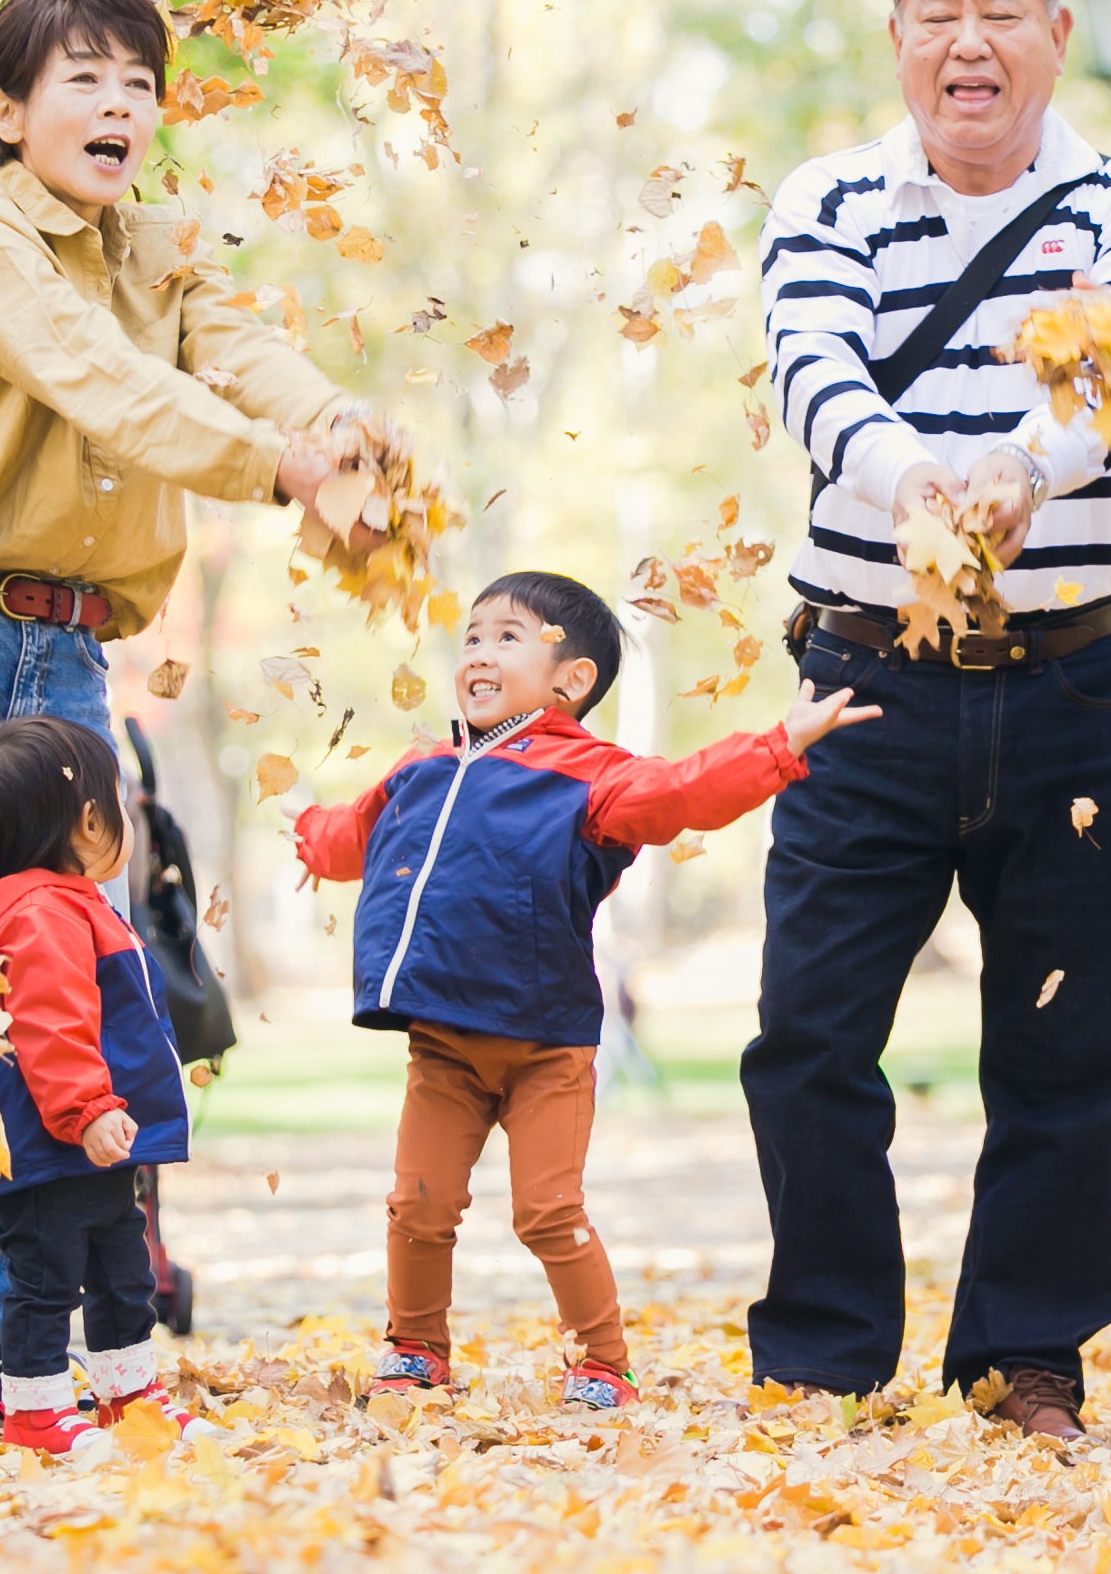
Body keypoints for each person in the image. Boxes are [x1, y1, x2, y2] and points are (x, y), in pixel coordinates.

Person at [0, 0, 381, 1449]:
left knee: (63, 1018)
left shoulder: (162, 245)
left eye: (139, 83)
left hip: (67, 672)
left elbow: (240, 352)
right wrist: (277, 469)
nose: (122, 105)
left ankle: (10, 1344)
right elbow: (102, 385)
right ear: (7, 110)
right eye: (85, 79)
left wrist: (329, 424)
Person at [747, 0, 1111, 1439]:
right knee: (809, 1030)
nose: (969, 42)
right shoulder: (826, 202)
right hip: (866, 678)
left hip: (1079, 683)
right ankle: (821, 1353)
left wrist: (1023, 466)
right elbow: (817, 377)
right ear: (896, 37)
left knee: (1070, 1039)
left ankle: (1029, 1357)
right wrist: (920, 488)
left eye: (1002, 12)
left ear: (1057, 36)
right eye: (937, 12)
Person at [290, 574, 880, 1410]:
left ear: (570, 681)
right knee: (417, 1206)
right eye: (473, 637)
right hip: (444, 1045)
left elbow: (680, 794)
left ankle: (601, 1362)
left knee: (547, 1212)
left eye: (508, 636)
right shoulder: (422, 769)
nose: (480, 653)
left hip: (546, 1047)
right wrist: (308, 835)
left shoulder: (592, 776)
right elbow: (352, 834)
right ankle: (416, 1346)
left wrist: (778, 745)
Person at [0, 716, 220, 1461]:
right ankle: (34, 1411)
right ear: (91, 823)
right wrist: (88, 1110)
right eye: (119, 806)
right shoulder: (44, 915)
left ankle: (129, 1398)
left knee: (123, 1274)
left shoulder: (57, 905)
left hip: (83, 1147)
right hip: (59, 1142)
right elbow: (52, 1022)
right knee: (44, 1282)